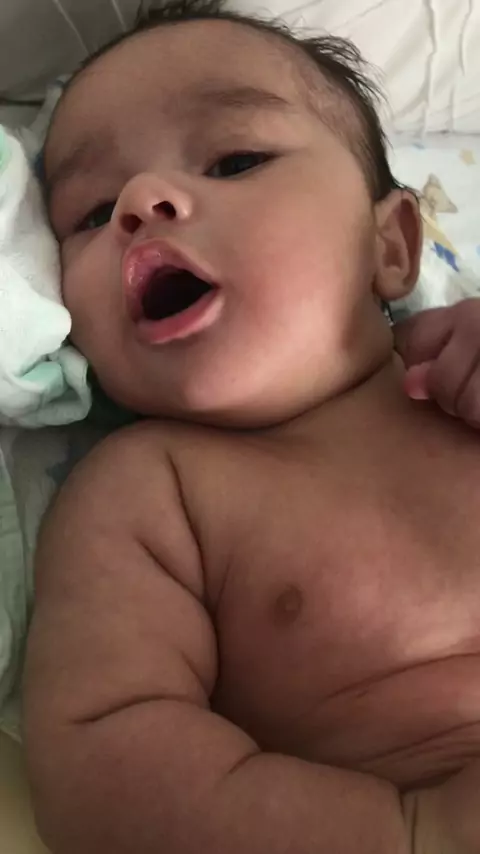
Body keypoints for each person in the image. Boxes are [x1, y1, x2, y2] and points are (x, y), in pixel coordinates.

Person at [23, 2, 480, 851]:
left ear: (390, 246)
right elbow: (103, 757)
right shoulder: (150, 491)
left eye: (235, 161)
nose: (140, 202)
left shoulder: (457, 377)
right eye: (91, 212)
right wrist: (413, 833)